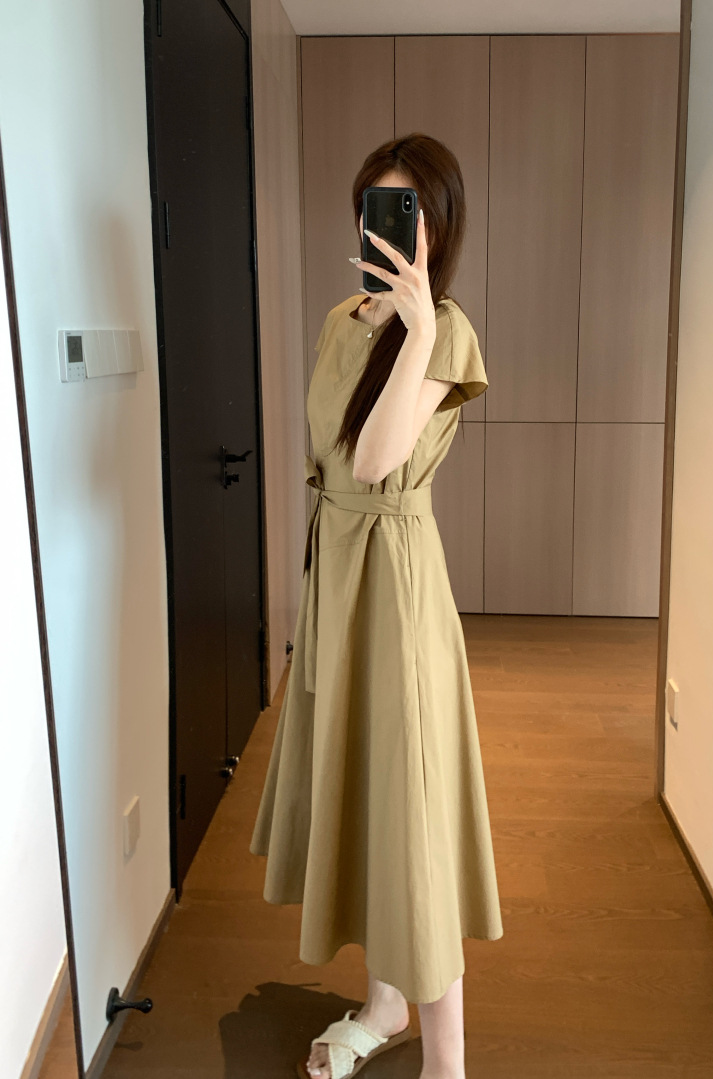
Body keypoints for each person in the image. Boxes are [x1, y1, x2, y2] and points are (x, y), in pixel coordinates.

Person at [249, 133, 503, 1079]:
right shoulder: (337, 319)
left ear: (439, 227)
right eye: (376, 210)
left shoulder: (449, 332)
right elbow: (323, 457)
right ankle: (385, 1002)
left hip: (395, 582)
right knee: (363, 791)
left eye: (408, 214)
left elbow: (374, 456)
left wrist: (419, 328)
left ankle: (448, 1060)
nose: (390, 232)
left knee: (411, 811)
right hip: (337, 575)